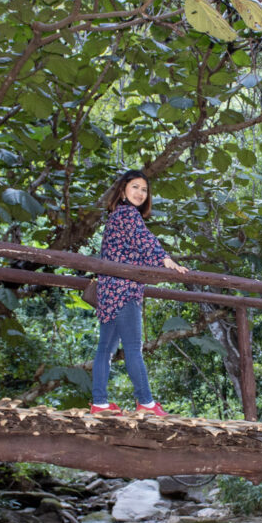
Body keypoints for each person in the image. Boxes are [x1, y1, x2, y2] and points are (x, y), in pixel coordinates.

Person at [90, 169, 188, 416]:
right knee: (133, 348)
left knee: (105, 349)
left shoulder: (115, 216)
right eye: (135, 187)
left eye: (144, 190)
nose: (140, 193)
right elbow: (145, 241)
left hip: (109, 292)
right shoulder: (128, 215)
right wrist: (166, 261)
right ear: (123, 189)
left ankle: (99, 403)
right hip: (124, 292)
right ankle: (145, 402)